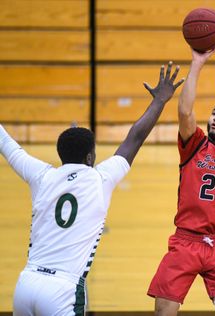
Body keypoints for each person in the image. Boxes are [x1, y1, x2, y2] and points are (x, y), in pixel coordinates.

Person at [1, 62, 184, 315]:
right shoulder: (100, 179)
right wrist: (160, 101)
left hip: (26, 284)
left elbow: (8, 146)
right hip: (62, 290)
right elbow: (135, 137)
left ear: (61, 154)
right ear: (90, 157)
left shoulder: (41, 176)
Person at [147, 48, 215, 316]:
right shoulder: (195, 145)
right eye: (214, 112)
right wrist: (197, 64)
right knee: (163, 311)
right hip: (186, 241)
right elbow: (185, 112)